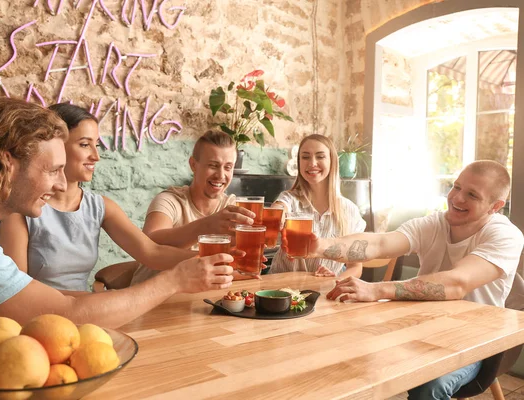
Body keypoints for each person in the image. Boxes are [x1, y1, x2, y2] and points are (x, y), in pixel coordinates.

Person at [0, 98, 234, 327]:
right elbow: (61, 314)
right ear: (8, 163)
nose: (60, 183)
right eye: (52, 170)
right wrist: (174, 281)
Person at [293, 160, 524, 400]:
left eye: (472, 195)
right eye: (456, 187)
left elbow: (457, 283)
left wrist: (377, 290)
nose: (457, 198)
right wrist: (321, 247)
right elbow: (379, 244)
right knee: (349, 353)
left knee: (430, 386)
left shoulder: (506, 235)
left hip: (477, 341)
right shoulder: (434, 223)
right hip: (423, 328)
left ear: (495, 206)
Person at [0, 103, 197, 293]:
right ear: (55, 146)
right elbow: (18, 291)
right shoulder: (21, 209)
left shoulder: (99, 207)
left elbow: (152, 253)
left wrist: (217, 258)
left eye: (97, 145)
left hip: (83, 315)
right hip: (35, 319)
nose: (96, 156)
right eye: (84, 144)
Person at [131, 130, 255, 284]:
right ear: (193, 165)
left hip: (202, 301)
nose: (221, 175)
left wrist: (247, 259)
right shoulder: (169, 200)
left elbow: (233, 263)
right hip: (155, 301)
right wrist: (207, 225)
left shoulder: (231, 207)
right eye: (213, 165)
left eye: (228, 167)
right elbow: (149, 244)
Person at [271, 134, 365, 278]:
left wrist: (335, 279)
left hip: (325, 292)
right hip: (283, 291)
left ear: (332, 161)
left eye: (320, 156)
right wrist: (276, 213)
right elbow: (279, 207)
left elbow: (355, 267)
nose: (312, 163)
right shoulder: (289, 199)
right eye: (305, 157)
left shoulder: (349, 210)